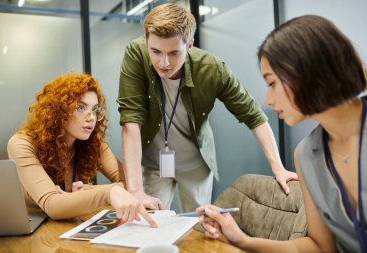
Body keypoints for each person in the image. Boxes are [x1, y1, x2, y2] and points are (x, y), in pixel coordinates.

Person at [197, 15, 367, 253]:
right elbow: (319, 247)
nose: (267, 99)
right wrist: (241, 240)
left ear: (306, 71)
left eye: (272, 83)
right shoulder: (307, 155)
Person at [118, 2, 297, 213]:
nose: (163, 62)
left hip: (196, 163)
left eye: (174, 53)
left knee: (197, 224)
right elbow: (131, 120)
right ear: (146, 41)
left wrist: (278, 168)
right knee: (149, 221)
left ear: (190, 45)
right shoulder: (136, 54)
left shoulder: (212, 69)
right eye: (155, 51)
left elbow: (254, 115)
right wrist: (135, 190)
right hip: (153, 163)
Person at [7, 72, 156, 227]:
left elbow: (130, 185)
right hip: (33, 227)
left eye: (95, 109)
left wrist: (90, 189)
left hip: (74, 223)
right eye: (81, 107)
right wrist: (108, 192)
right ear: (58, 110)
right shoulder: (21, 143)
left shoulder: (93, 143)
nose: (91, 117)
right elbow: (52, 205)